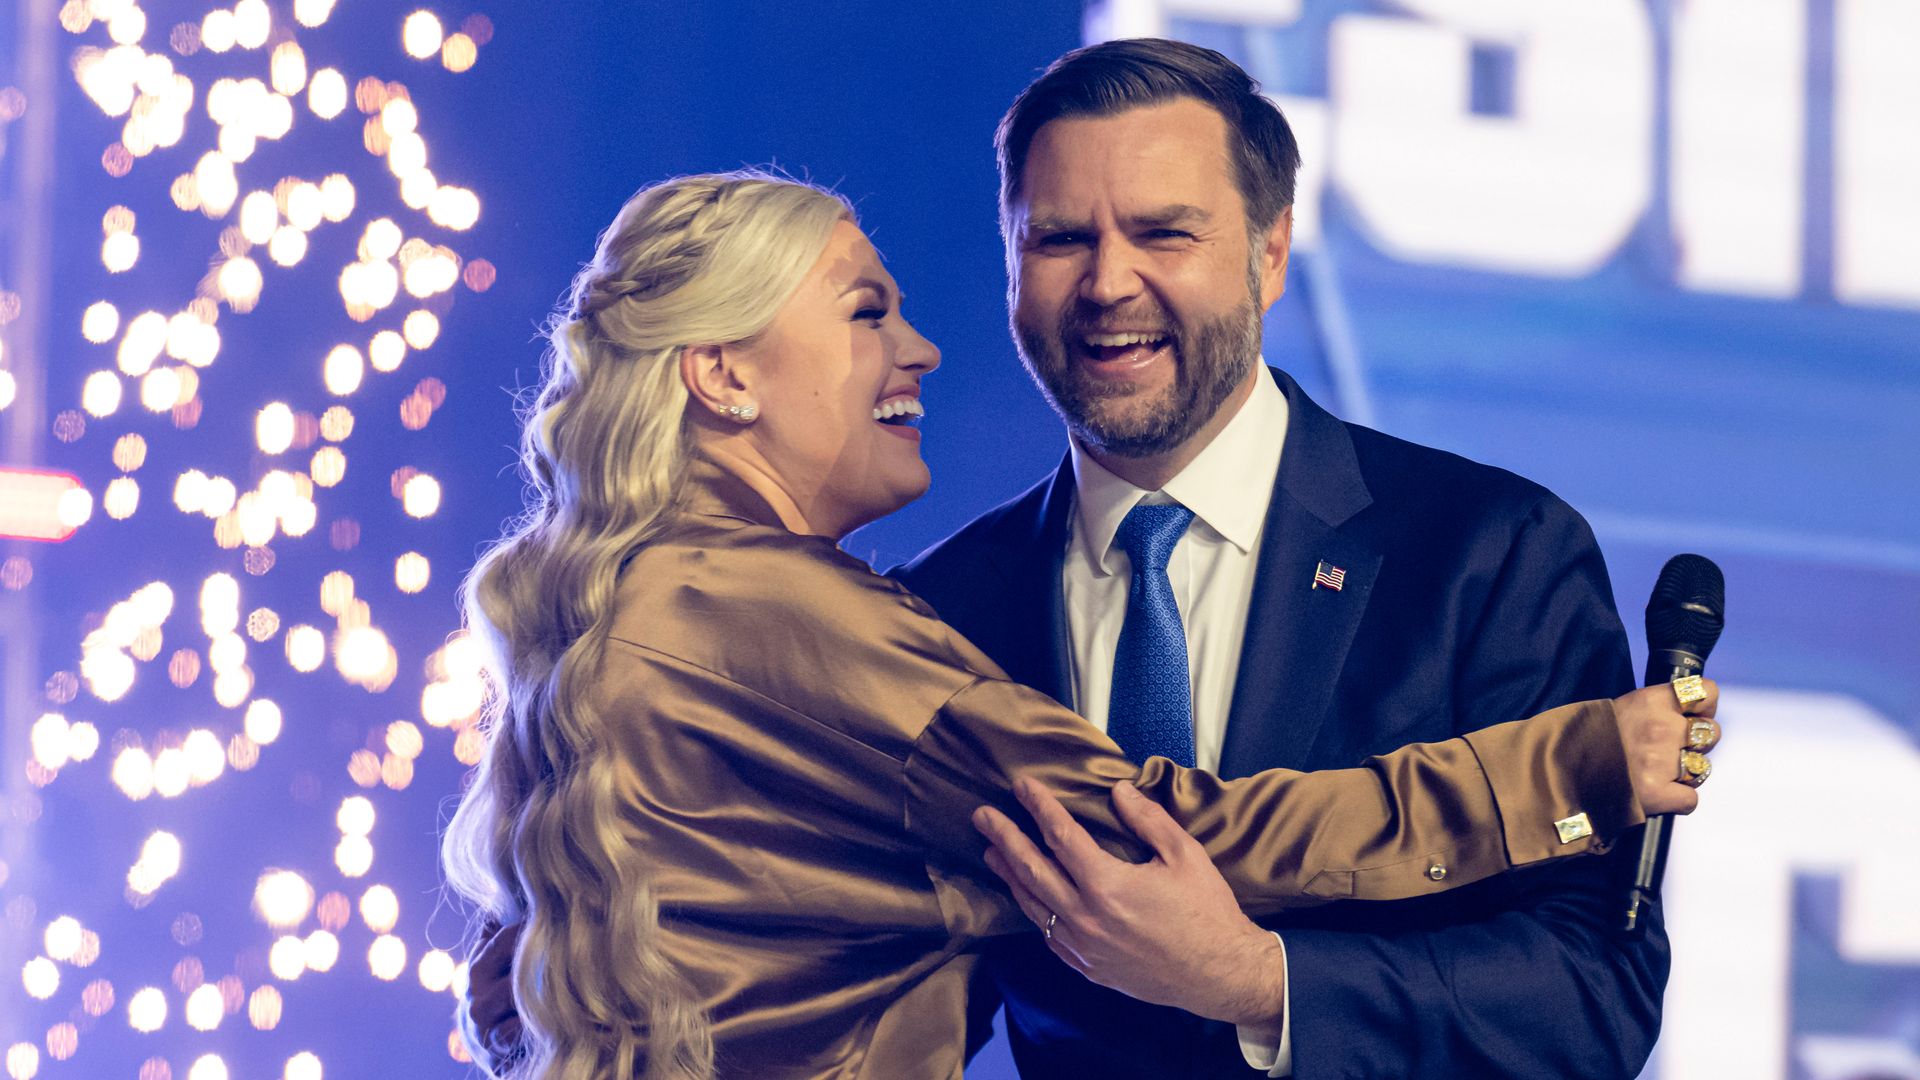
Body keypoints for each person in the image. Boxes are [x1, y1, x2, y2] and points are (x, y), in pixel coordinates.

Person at [442, 170, 1719, 1079]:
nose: (924, 348)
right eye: (866, 310)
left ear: (1268, 253)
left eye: (1165, 228)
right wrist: (1567, 766)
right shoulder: (829, 608)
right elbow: (1149, 838)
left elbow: (511, 992)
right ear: (721, 374)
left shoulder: (628, 605)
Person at [890, 38, 1675, 1079]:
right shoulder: (939, 613)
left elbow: (1593, 999)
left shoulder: (1490, 554)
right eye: (1060, 239)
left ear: (1270, 254)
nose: (1107, 282)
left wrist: (1261, 983)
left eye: (1164, 233)